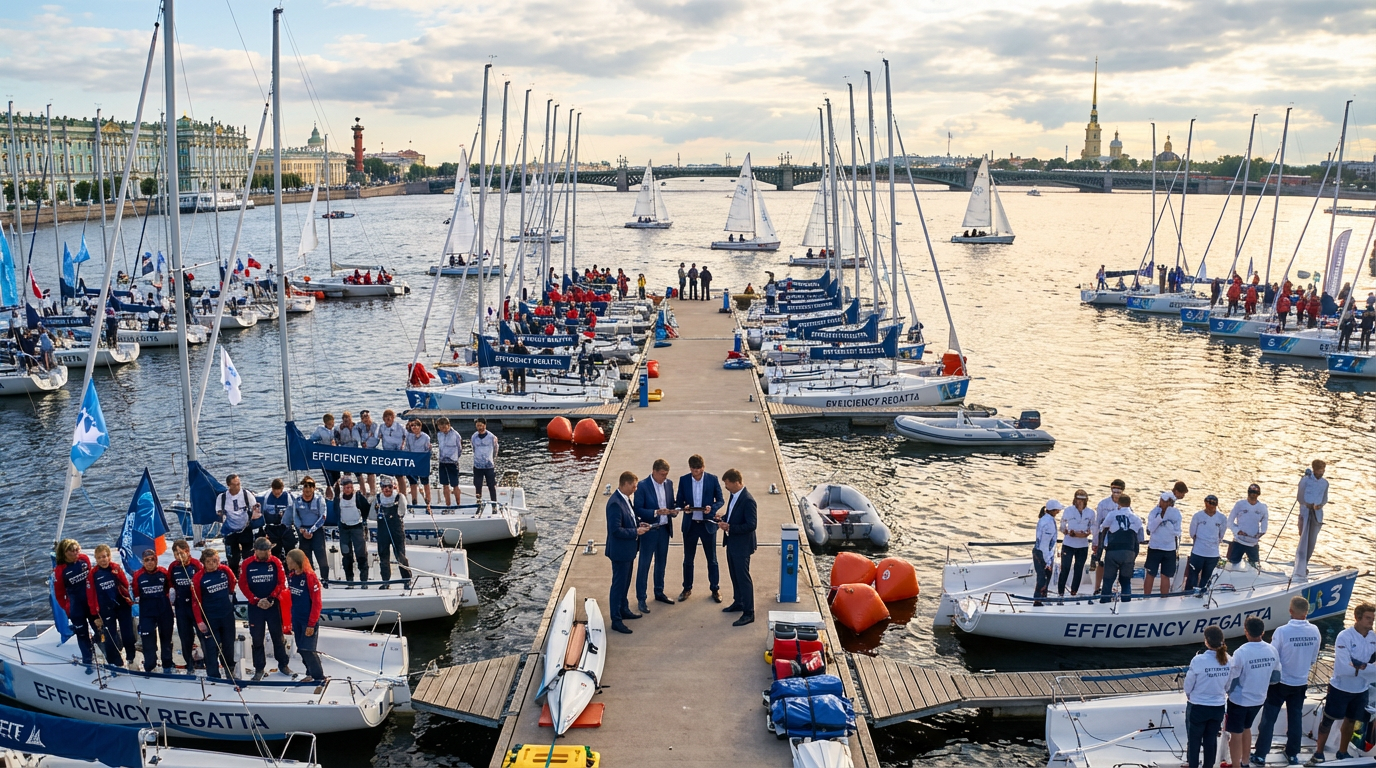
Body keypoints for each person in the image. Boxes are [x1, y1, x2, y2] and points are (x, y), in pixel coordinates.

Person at [1253, 596, 1321, 766]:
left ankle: (1261, 755)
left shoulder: (1282, 631)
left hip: (1280, 683)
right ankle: (1292, 754)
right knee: (1295, 718)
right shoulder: (1315, 631)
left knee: (1269, 719)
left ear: (1290, 611)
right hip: (1300, 682)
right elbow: (1313, 659)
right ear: (1307, 612)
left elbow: (1273, 656)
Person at [1307, 603, 1376, 765]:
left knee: (1351, 721)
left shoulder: (1373, 638)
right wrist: (1369, 669)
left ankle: (1342, 752)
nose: (1371, 621)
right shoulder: (1344, 636)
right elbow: (1344, 667)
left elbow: (1365, 664)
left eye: (1373, 618)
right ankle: (1318, 753)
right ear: (1357, 618)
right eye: (1368, 618)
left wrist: (1359, 666)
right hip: (1340, 687)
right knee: (1328, 721)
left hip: (1361, 689)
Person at [1225, 616, 1279, 767]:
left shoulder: (1241, 652)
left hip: (1239, 700)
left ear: (1246, 632)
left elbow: (1233, 680)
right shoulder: (1272, 650)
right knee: (1247, 728)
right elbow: (1275, 678)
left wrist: (1226, 692)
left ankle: (1235, 765)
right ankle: (1245, 762)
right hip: (1259, 699)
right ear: (1263, 632)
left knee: (1235, 733)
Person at [238, 538, 292, 681]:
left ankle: (283, 664)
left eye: (269, 550)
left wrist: (271, 598)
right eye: (264, 551)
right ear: (256, 551)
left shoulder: (276, 562)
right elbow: (242, 585)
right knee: (257, 639)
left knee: (278, 637)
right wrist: (255, 600)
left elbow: (282, 582)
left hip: (272, 605)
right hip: (256, 607)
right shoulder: (247, 564)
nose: (268, 553)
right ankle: (259, 668)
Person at [676, 454, 726, 603]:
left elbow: (721, 500)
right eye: (693, 470)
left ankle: (715, 588)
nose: (696, 473)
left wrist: (711, 508)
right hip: (690, 525)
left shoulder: (712, 479)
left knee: (712, 559)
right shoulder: (684, 480)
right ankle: (687, 588)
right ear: (690, 468)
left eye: (698, 470)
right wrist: (684, 507)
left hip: (707, 525)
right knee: (688, 559)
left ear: (703, 467)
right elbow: (678, 501)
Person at [607, 471, 651, 634]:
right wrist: (636, 532)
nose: (635, 488)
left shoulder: (625, 499)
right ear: (625, 484)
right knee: (618, 585)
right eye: (634, 486)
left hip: (628, 551)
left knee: (625, 583)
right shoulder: (615, 503)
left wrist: (639, 523)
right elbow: (615, 530)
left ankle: (623, 609)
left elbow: (630, 519)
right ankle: (616, 619)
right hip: (620, 552)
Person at [633, 458, 677, 614]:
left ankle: (659, 592)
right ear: (654, 472)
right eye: (662, 475)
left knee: (661, 563)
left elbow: (672, 503)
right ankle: (641, 598)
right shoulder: (643, 486)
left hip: (664, 530)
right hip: (649, 531)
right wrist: (655, 512)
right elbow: (637, 509)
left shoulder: (669, 484)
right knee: (644, 564)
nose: (664, 477)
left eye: (666, 475)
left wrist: (674, 510)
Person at [1184, 626, 1232, 768]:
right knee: (1210, 741)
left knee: (1194, 741)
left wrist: (1190, 696)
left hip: (1198, 707)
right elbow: (1228, 686)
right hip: (1217, 707)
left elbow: (1188, 685)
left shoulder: (1198, 660)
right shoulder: (1229, 660)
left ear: (1206, 641)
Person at [717, 468, 756, 626]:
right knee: (734, 574)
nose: (725, 487)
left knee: (743, 577)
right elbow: (733, 515)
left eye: (727, 484)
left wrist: (730, 528)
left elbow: (751, 525)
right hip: (732, 543)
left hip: (742, 545)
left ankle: (749, 612)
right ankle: (738, 602)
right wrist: (724, 518)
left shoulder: (748, 500)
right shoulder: (734, 496)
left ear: (736, 482)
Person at [87, 544, 137, 667]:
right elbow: (91, 595)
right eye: (99, 558)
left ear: (109, 557)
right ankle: (116, 661)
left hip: (122, 606)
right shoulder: (93, 574)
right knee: (110, 636)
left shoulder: (116, 568)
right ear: (96, 559)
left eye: (104, 556)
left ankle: (131, 657)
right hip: (106, 609)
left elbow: (125, 585)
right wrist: (95, 615)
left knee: (128, 633)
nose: (102, 560)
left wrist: (130, 600)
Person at [191, 548, 238, 679]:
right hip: (210, 618)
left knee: (228, 645)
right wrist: (199, 621)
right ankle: (213, 675)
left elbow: (233, 582)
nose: (212, 563)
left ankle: (230, 670)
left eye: (215, 560)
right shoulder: (198, 578)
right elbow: (195, 602)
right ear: (203, 563)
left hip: (227, 616)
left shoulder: (225, 570)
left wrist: (230, 596)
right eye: (209, 561)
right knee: (211, 647)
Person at [52, 539, 100, 666]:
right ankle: (88, 661)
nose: (75, 553)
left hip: (91, 604)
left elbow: (91, 581)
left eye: (76, 550)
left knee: (100, 629)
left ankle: (107, 656)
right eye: (71, 551)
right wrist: (68, 609)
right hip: (76, 607)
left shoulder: (84, 559)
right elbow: (59, 595)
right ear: (64, 552)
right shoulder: (60, 570)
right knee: (82, 634)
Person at [284, 549, 325, 682]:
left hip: (308, 620)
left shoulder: (310, 577)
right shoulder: (292, 576)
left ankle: (318, 677)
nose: (287, 563)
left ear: (296, 562)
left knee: (308, 649)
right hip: (296, 618)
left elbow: (317, 603)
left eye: (289, 561)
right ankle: (310, 673)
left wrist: (311, 624)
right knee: (301, 649)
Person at [132, 549, 176, 673]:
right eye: (147, 560)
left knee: (166, 641)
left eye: (152, 559)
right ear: (143, 562)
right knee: (148, 642)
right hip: (147, 613)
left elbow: (169, 588)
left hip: (164, 611)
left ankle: (167, 666)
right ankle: (150, 666)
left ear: (156, 560)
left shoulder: (163, 572)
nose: (150, 562)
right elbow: (135, 593)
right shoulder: (138, 575)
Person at [1097, 494, 1143, 603]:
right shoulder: (1136, 518)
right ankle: (1126, 603)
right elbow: (1140, 538)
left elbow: (1102, 528)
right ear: (1130, 504)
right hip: (1129, 553)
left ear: (1118, 504)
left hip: (1113, 552)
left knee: (1108, 580)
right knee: (1126, 581)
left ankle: (1104, 602)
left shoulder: (1112, 514)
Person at [325, 474, 371, 585]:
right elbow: (336, 510)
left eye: (350, 487)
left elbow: (366, 508)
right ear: (343, 488)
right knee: (346, 555)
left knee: (361, 554)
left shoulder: (358, 497)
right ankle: (350, 581)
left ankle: (363, 581)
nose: (348, 490)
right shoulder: (339, 497)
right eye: (346, 488)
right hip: (344, 528)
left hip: (357, 527)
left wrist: (364, 520)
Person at [168, 540, 203, 672]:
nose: (180, 557)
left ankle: (206, 661)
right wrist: (171, 593)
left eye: (182, 553)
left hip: (196, 607)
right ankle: (189, 665)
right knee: (185, 637)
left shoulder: (195, 565)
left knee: (202, 635)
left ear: (187, 552)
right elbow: (170, 583)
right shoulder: (173, 567)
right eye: (177, 554)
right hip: (181, 607)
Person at [216, 473, 261, 574]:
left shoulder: (246, 494)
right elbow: (218, 511)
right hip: (230, 530)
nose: (237, 487)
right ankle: (234, 576)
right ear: (229, 485)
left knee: (248, 555)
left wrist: (255, 513)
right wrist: (221, 514)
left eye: (238, 484)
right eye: (234, 485)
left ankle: (249, 573)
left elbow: (255, 507)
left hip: (245, 528)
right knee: (233, 558)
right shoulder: (222, 497)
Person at [289, 476, 330, 586]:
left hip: (316, 531)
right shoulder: (297, 500)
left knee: (321, 555)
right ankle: (309, 579)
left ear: (313, 489)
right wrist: (301, 529)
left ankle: (325, 579)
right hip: (303, 531)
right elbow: (295, 516)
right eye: (305, 489)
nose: (307, 491)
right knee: (306, 558)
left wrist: (311, 530)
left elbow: (323, 517)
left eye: (309, 489)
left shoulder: (319, 499)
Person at [1185, 494, 1228, 592]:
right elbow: (1192, 533)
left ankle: (1202, 595)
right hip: (1198, 552)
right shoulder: (1197, 516)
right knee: (1193, 576)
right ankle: (1188, 594)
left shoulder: (1222, 518)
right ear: (1205, 502)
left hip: (1213, 554)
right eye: (1209, 502)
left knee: (1207, 578)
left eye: (1214, 503)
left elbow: (1221, 535)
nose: (1211, 506)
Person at [373, 476, 411, 586]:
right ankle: (385, 581)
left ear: (393, 487)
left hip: (396, 529)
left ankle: (406, 580)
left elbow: (402, 512)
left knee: (400, 556)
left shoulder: (399, 497)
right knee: (383, 556)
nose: (387, 489)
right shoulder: (378, 498)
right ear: (381, 488)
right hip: (383, 530)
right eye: (384, 487)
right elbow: (372, 515)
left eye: (389, 487)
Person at [1143, 492, 1181, 596]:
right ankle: (1146, 597)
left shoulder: (1176, 513)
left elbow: (1177, 531)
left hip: (1169, 549)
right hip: (1155, 547)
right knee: (1150, 573)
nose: (1161, 503)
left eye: (1165, 501)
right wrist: (1161, 516)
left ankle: (1164, 598)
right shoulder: (1154, 512)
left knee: (1165, 575)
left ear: (1170, 503)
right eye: (1161, 500)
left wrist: (1169, 524)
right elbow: (1150, 529)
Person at [1091, 479, 1126, 594]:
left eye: (1118, 490)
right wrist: (1095, 542)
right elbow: (1097, 523)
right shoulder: (1103, 504)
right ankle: (1097, 587)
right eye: (1113, 489)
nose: (1115, 492)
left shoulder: (1125, 503)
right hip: (1104, 535)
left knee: (1114, 563)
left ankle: (1111, 587)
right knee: (1101, 563)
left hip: (1119, 537)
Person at [1294, 460, 1327, 579]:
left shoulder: (1325, 483)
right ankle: (1299, 567)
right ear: (1314, 469)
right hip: (1306, 512)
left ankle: (1305, 564)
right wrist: (1308, 505)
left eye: (1323, 470)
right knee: (1303, 540)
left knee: (1312, 542)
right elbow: (1300, 497)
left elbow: (1324, 499)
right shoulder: (1305, 480)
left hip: (1317, 514)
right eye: (1319, 470)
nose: (1321, 473)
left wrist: (1319, 506)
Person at [1058, 490, 1093, 597]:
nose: (1080, 502)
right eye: (1078, 499)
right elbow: (1062, 526)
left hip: (1083, 545)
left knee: (1079, 569)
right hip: (1068, 544)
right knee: (1065, 568)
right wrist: (1068, 532)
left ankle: (1074, 591)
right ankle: (1061, 592)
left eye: (1083, 499)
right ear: (1074, 499)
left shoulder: (1091, 512)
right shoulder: (1068, 510)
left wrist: (1087, 533)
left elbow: (1092, 527)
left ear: (1086, 500)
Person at [1227, 483, 1268, 568]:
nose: (1253, 494)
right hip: (1238, 541)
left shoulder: (1262, 507)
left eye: (1256, 492)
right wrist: (1238, 531)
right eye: (1251, 492)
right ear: (1248, 492)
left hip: (1253, 543)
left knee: (1254, 567)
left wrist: (1261, 532)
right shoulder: (1239, 504)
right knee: (1232, 565)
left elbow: (1264, 521)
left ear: (1258, 494)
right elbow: (1229, 522)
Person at [259, 478, 297, 558]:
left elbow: (293, 511)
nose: (276, 495)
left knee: (290, 550)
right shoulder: (266, 497)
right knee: (275, 551)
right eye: (275, 493)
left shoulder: (288, 496)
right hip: (272, 528)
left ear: (282, 489)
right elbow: (262, 512)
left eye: (278, 494)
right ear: (272, 489)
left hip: (285, 528)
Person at [1033, 500, 1061, 605]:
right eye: (1057, 510)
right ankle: (1038, 600)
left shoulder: (1046, 519)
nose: (1059, 511)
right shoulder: (1047, 523)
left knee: (1045, 577)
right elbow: (1044, 544)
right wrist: (1047, 562)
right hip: (1042, 554)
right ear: (1053, 510)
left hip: (1042, 552)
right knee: (1043, 577)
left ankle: (1042, 598)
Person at [403, 419, 432, 510]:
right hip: (412, 462)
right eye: (412, 426)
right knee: (413, 483)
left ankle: (428, 503)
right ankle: (414, 502)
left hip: (422, 463)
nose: (414, 427)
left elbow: (428, 451)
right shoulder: (408, 436)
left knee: (425, 483)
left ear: (420, 427)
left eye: (416, 425)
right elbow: (406, 448)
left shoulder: (426, 437)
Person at [434, 418, 462, 506]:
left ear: (448, 425)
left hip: (452, 462)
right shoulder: (439, 435)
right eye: (440, 428)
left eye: (444, 427)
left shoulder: (456, 435)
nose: (443, 429)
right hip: (442, 462)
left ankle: (458, 504)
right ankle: (448, 505)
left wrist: (455, 458)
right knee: (445, 484)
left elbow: (459, 448)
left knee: (455, 484)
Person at [470, 418, 499, 503]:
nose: (479, 428)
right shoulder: (474, 437)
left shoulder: (492, 437)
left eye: (481, 425)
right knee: (478, 485)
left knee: (491, 485)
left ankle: (494, 503)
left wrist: (491, 459)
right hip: (478, 466)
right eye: (478, 426)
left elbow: (496, 449)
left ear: (485, 425)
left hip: (489, 466)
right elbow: (474, 448)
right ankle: (478, 502)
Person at [310, 414, 340, 486]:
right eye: (329, 424)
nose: (331, 425)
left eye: (332, 423)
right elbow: (312, 439)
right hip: (325, 457)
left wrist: (336, 442)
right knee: (329, 478)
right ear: (325, 423)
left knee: (337, 477)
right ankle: (330, 492)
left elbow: (340, 440)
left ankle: (337, 493)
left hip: (335, 456)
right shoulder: (320, 430)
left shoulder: (336, 429)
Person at [356, 409, 380, 495]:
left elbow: (375, 439)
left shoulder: (375, 426)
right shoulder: (360, 426)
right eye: (363, 418)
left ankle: (373, 491)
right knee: (359, 471)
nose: (366, 419)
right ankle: (364, 492)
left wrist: (367, 443)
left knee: (371, 472)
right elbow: (355, 434)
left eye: (367, 417)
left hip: (373, 451)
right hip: (364, 451)